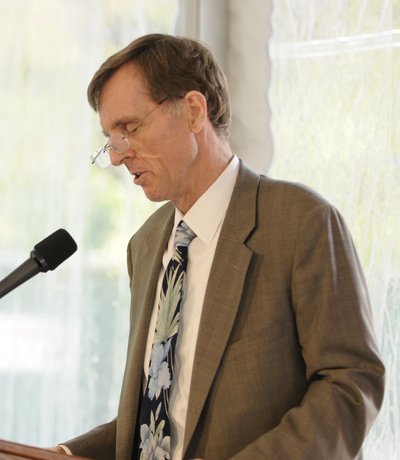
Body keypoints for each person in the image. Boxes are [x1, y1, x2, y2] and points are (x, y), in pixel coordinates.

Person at [50, 33, 384, 459]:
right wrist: (61, 454)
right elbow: (158, 414)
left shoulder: (302, 222)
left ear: (193, 111)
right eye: (111, 139)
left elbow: (350, 383)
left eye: (130, 129)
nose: (117, 157)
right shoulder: (146, 244)